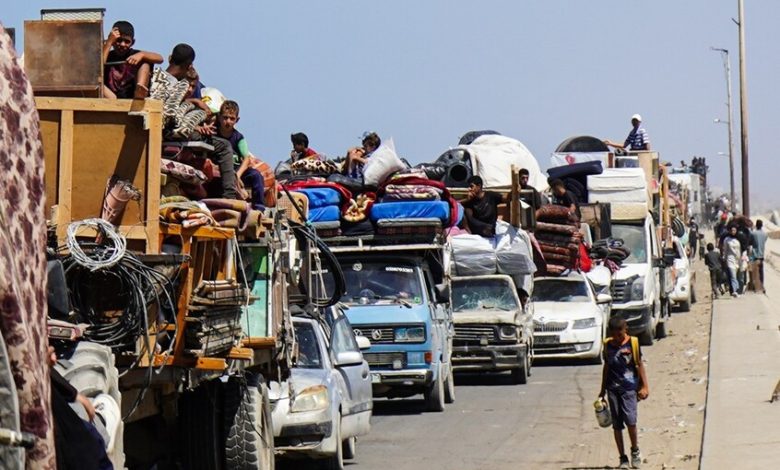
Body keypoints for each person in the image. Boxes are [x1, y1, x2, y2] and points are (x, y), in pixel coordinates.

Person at [150, 44, 238, 200]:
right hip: (173, 132)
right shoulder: (178, 84)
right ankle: (229, 196)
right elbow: (171, 116)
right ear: (189, 65)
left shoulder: (155, 75)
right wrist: (196, 115)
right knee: (224, 146)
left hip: (163, 128)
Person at [599, 316, 649, 470]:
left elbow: (639, 364)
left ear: (625, 329)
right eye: (614, 335)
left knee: (631, 421)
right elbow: (606, 367)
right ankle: (623, 458)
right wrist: (602, 391)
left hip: (629, 389)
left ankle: (635, 450)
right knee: (617, 424)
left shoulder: (633, 343)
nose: (617, 338)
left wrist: (645, 386)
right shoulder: (607, 345)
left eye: (619, 334)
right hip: (612, 389)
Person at [216, 100, 266, 210]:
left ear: (237, 120)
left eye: (232, 119)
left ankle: (259, 208)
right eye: (225, 118)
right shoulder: (214, 134)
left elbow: (246, 158)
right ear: (219, 117)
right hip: (220, 168)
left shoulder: (238, 137)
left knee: (256, 175)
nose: (228, 122)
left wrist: (237, 175)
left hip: (236, 169)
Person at [102, 20, 163, 99]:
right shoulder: (107, 55)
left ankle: (140, 92)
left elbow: (160, 58)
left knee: (145, 63)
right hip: (111, 97)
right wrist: (109, 42)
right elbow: (98, 70)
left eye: (127, 41)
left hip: (133, 96)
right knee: (96, 80)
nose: (122, 44)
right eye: (119, 40)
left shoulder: (135, 54)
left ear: (132, 42)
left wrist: (142, 54)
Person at [722, 226, 742, 297]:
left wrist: (740, 261)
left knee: (735, 276)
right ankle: (734, 291)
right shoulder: (727, 240)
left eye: (734, 230)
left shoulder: (738, 240)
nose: (733, 232)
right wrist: (724, 259)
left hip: (737, 260)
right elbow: (725, 250)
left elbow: (739, 251)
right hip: (730, 259)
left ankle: (735, 289)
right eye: (732, 230)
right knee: (733, 276)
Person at [750, 219, 768, 293]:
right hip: (761, 255)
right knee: (761, 272)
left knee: (754, 272)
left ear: (756, 225)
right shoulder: (765, 234)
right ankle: (762, 286)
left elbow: (750, 242)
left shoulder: (753, 233)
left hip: (754, 255)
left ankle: (756, 288)